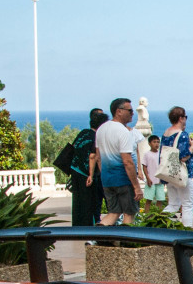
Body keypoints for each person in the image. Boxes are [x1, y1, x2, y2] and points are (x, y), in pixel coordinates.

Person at [96, 97, 142, 225]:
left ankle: (97, 238)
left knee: (114, 213)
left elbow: (98, 157)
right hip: (123, 180)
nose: (133, 113)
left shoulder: (101, 129)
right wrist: (136, 187)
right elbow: (127, 161)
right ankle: (126, 242)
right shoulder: (123, 131)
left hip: (107, 180)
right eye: (130, 110)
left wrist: (105, 174)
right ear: (119, 111)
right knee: (129, 213)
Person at [160, 106, 193, 226]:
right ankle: (188, 231)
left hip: (170, 174)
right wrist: (192, 147)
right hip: (182, 174)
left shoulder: (166, 133)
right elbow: (183, 156)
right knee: (187, 204)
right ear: (181, 118)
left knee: (173, 204)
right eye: (185, 117)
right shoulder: (182, 135)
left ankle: (158, 222)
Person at [70, 109, 106, 227]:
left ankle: (77, 225)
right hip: (88, 174)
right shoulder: (97, 136)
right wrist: (91, 174)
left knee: (78, 201)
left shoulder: (83, 133)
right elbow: (93, 156)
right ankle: (89, 226)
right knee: (90, 202)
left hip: (75, 171)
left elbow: (73, 148)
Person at [140, 134, 164, 212]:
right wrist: (147, 177)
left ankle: (158, 215)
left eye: (158, 142)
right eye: (154, 142)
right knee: (149, 199)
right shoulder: (147, 154)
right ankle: (146, 214)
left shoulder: (161, 154)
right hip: (151, 180)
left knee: (160, 199)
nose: (156, 144)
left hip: (159, 181)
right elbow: (144, 166)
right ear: (149, 143)